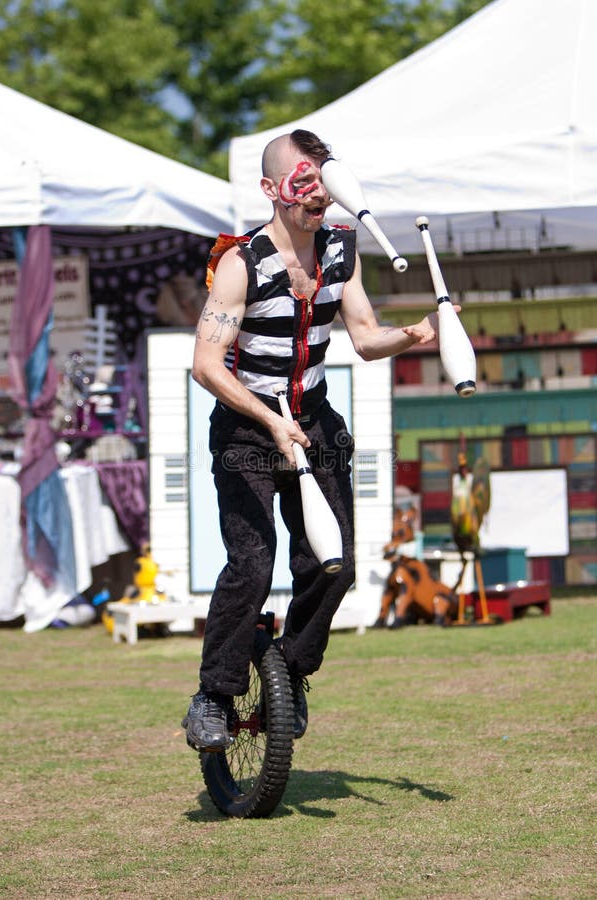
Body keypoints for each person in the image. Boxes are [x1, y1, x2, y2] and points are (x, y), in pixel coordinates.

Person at [182, 129, 439, 751]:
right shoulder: (241, 263)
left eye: (323, 178)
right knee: (251, 563)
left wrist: (418, 331)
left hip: (315, 422)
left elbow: (366, 338)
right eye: (303, 180)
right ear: (272, 190)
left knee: (335, 565)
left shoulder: (339, 254)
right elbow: (207, 365)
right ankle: (213, 696)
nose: (317, 191)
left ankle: (291, 672)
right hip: (249, 425)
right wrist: (270, 420)